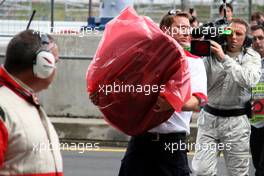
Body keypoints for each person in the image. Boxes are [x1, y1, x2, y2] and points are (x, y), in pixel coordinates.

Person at [117, 10, 207, 176]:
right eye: (180, 28)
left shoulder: (194, 62)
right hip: (140, 140)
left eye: (188, 28)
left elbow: (199, 101)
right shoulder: (144, 58)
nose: (186, 32)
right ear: (165, 31)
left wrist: (174, 102)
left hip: (172, 143)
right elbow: (125, 90)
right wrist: (103, 97)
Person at [192, 19, 261, 176]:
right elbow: (196, 74)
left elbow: (248, 80)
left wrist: (224, 57)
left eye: (239, 34)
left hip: (236, 123)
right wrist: (199, 44)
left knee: (237, 172)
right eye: (230, 33)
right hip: (209, 118)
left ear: (246, 37)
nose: (234, 37)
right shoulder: (209, 52)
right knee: (201, 171)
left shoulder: (252, 57)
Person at [0, 30, 63, 175]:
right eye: (55, 62)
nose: (55, 69)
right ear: (43, 64)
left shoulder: (22, 100)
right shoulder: (4, 106)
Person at [250, 25, 264, 176]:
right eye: (254, 39)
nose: (257, 42)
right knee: (256, 162)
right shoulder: (248, 62)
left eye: (261, 38)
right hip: (254, 121)